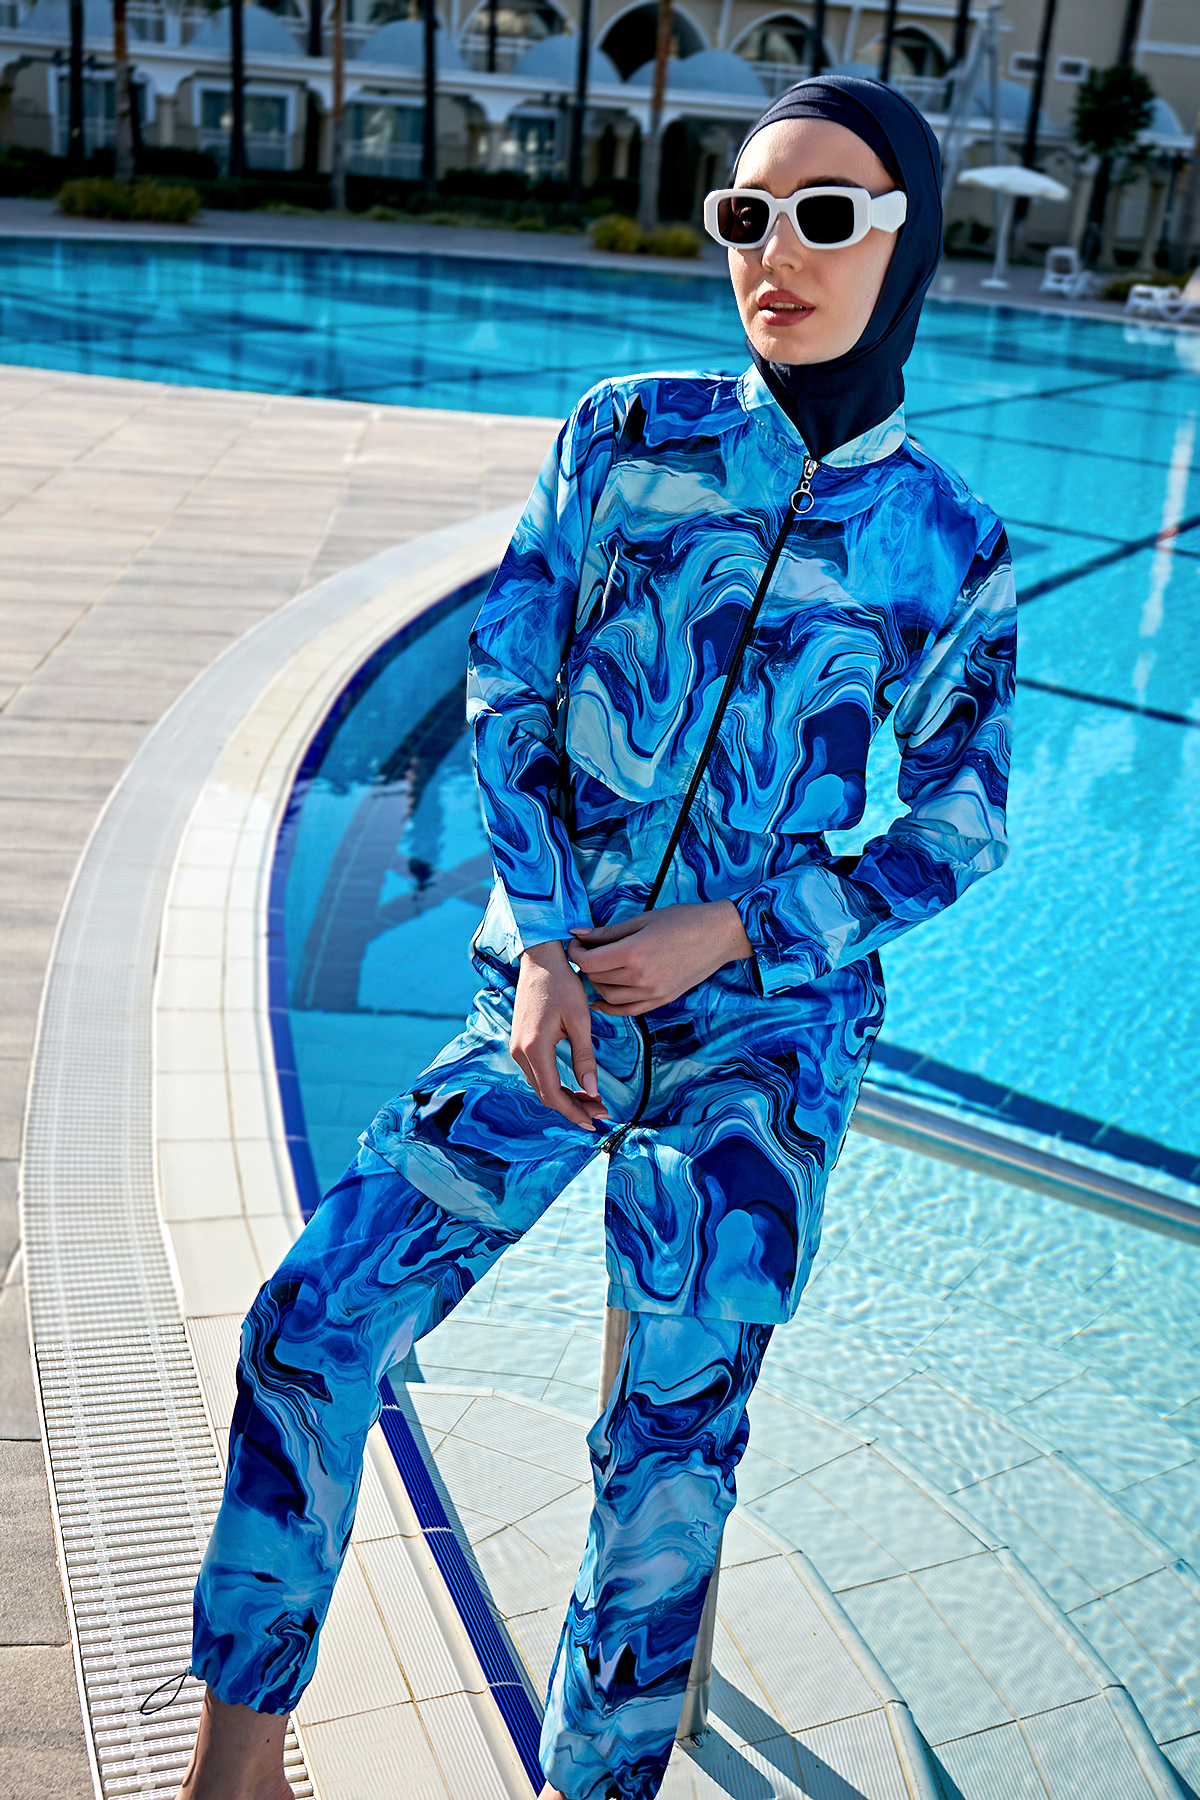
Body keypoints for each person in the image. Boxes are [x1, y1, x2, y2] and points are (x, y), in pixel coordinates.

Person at [176, 75, 1015, 1800]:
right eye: (745, 214)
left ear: (909, 241)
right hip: (552, 1003)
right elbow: (508, 678)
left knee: (667, 1463)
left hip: (764, 1041)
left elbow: (960, 826)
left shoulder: (950, 547)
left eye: (827, 215)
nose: (775, 253)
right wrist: (551, 939)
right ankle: (234, 1771)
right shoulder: (628, 436)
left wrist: (739, 929)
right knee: (313, 1324)